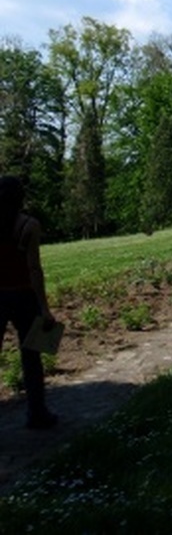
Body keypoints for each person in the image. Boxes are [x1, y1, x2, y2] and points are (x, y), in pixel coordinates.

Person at [0, 176, 58, 429]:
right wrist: (44, 307)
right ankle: (37, 413)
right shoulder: (28, 226)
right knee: (31, 357)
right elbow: (34, 268)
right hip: (23, 296)